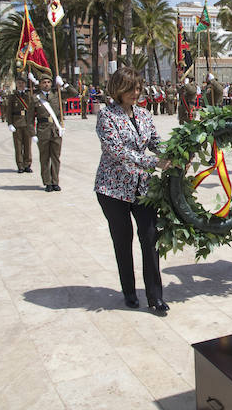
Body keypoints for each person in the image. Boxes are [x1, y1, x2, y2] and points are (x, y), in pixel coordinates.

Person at [95, 66, 170, 314]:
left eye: (138, 88)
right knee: (123, 239)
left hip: (142, 187)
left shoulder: (144, 114)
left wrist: (172, 152)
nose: (136, 92)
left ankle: (155, 296)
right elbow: (116, 151)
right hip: (113, 188)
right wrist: (152, 162)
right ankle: (128, 291)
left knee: (150, 239)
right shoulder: (107, 116)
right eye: (131, 88)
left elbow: (154, 141)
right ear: (118, 89)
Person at [30, 72, 77, 191]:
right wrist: (32, 134)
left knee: (56, 157)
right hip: (42, 130)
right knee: (44, 158)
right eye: (44, 82)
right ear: (40, 84)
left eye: (48, 82)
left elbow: (74, 93)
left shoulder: (58, 95)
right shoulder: (35, 98)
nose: (46, 84)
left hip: (56, 130)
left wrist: (64, 84)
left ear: (51, 83)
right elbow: (29, 118)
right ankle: (47, 182)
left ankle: (55, 181)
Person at [6, 75, 35, 173]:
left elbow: (32, 109)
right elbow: (9, 111)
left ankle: (27, 164)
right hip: (17, 123)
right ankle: (20, 165)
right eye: (19, 83)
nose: (20, 85)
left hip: (27, 123)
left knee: (28, 145)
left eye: (22, 83)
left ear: (25, 84)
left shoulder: (29, 95)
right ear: (16, 84)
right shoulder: (13, 96)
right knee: (18, 146)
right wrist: (10, 123)